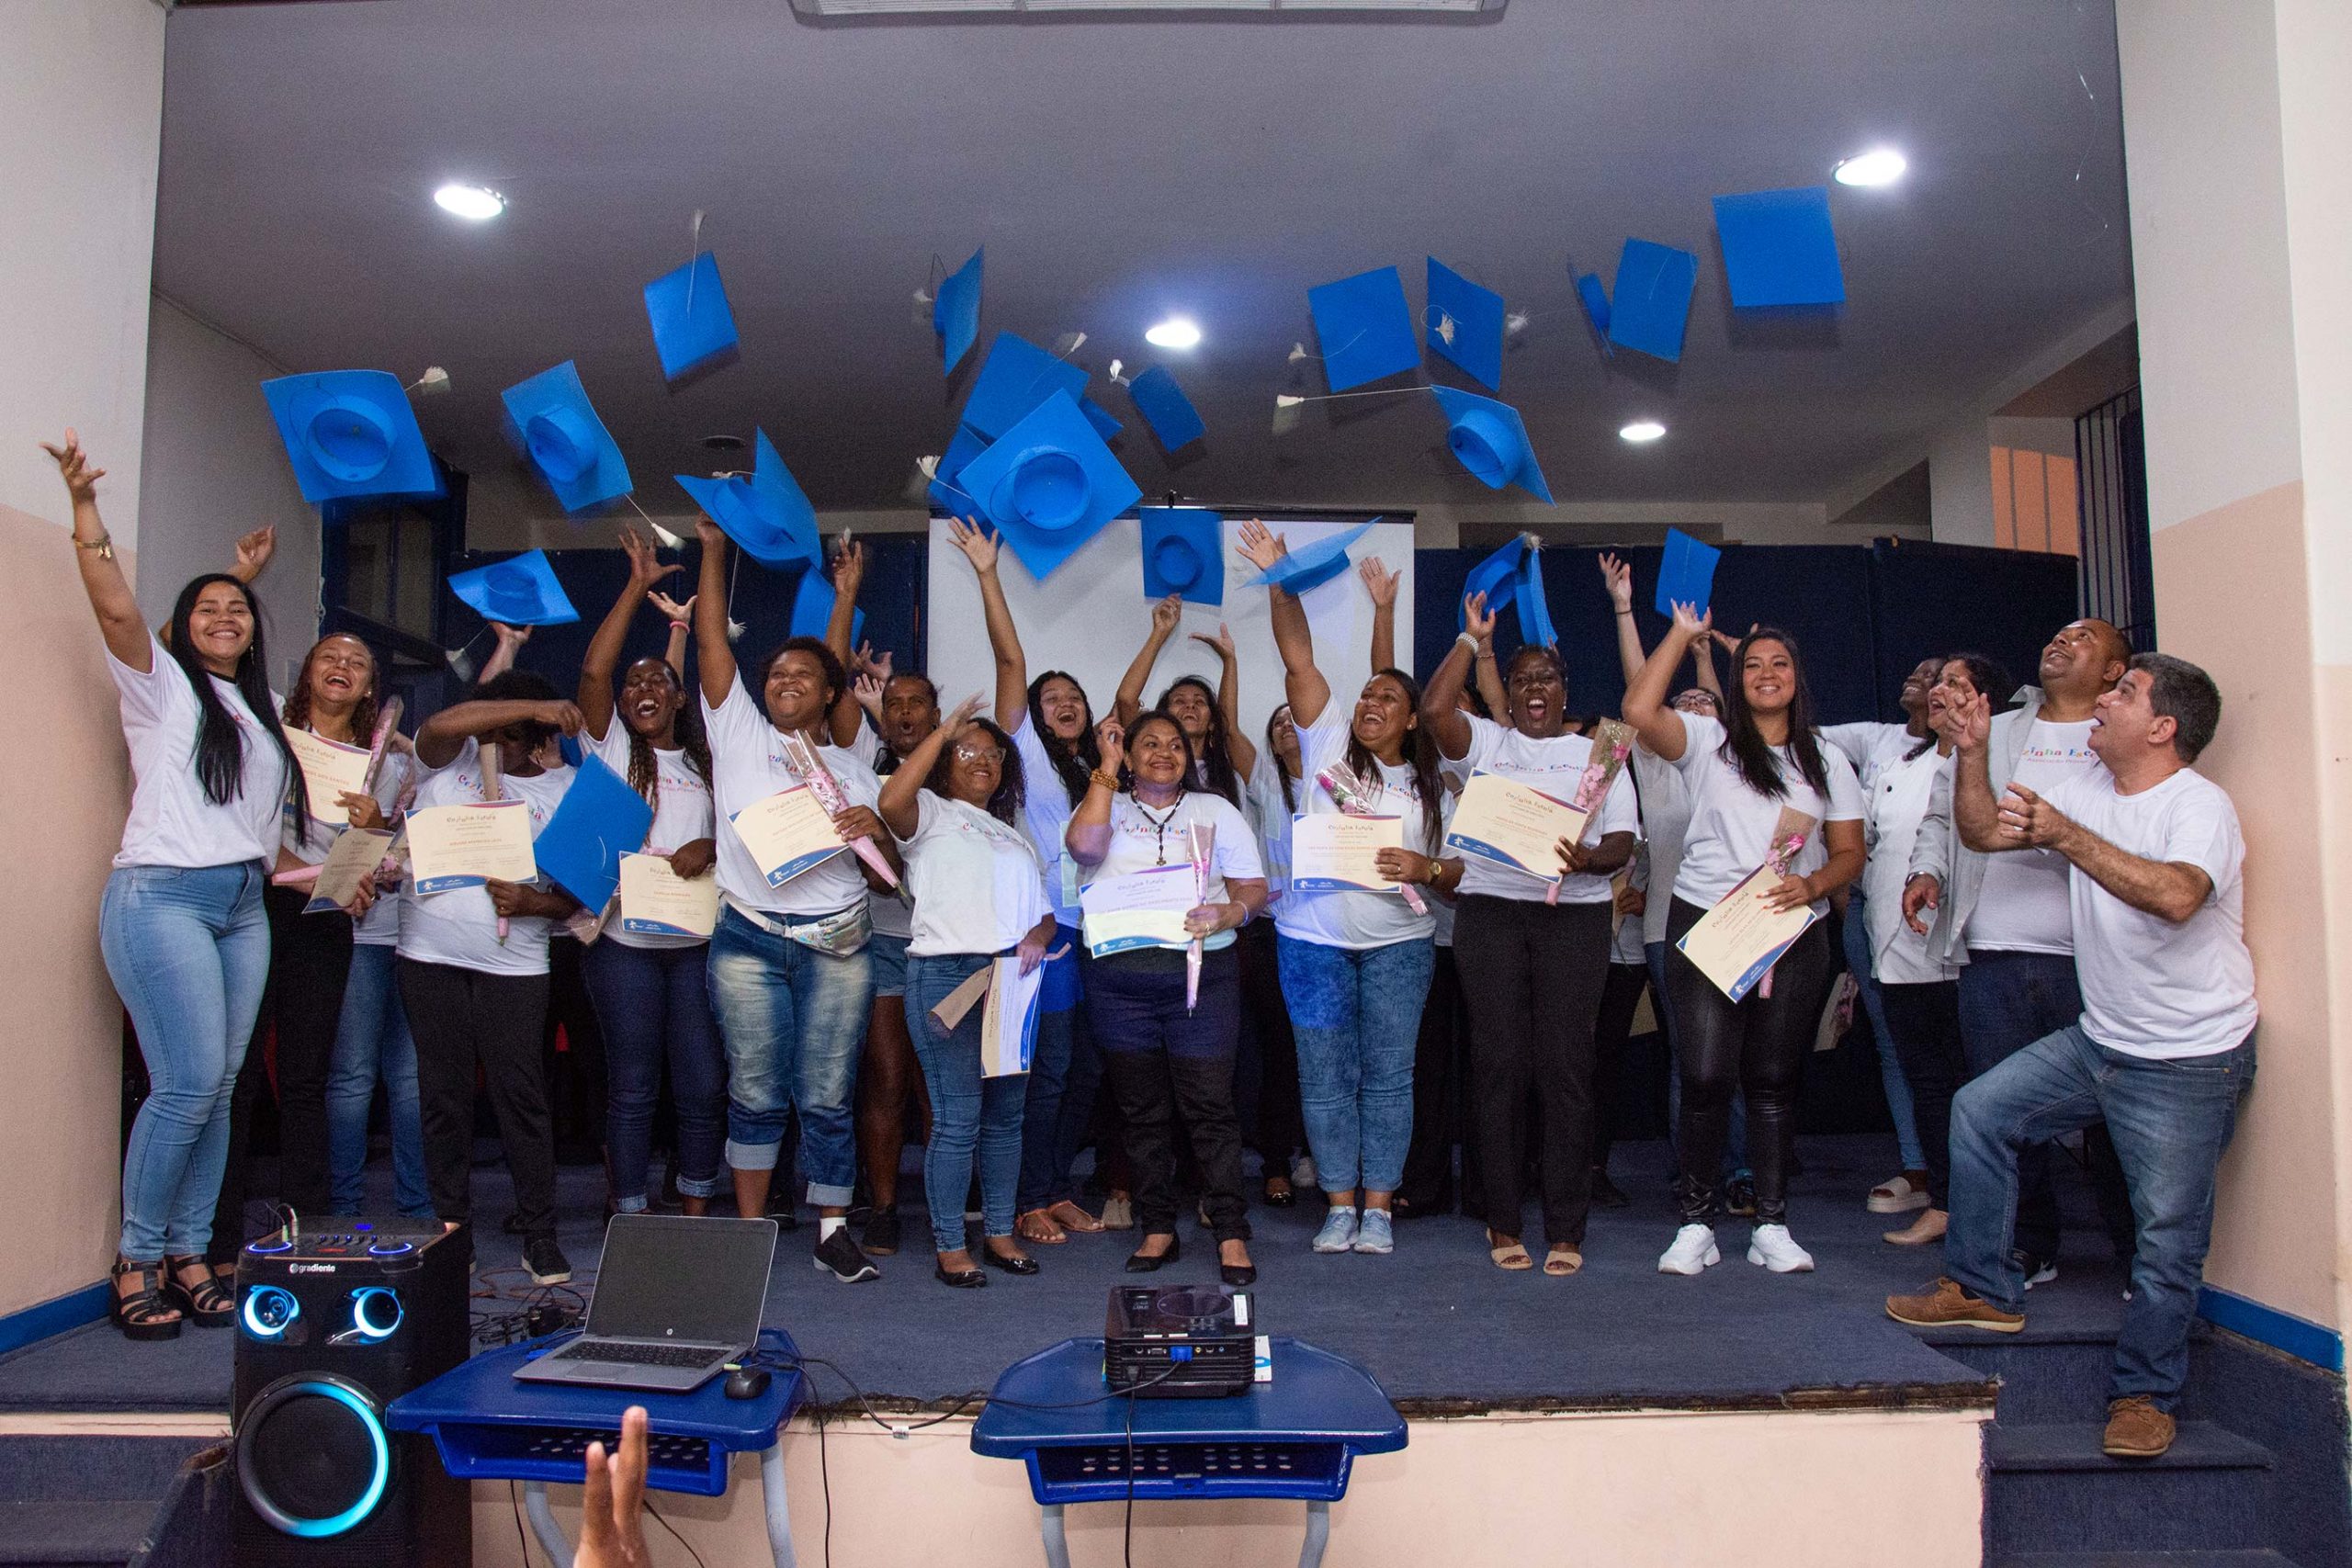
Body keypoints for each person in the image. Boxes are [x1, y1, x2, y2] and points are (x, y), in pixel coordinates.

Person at [1888, 654, 2255, 1462]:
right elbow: (1982, 831)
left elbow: (2176, 895)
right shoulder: (2088, 786)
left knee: (2166, 1238)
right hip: (2105, 1038)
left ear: (2162, 728)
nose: (2107, 697)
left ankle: (2145, 1393)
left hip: (2189, 1056)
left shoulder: (2199, 806)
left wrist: (2064, 832)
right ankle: (1985, 1287)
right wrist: (1975, 751)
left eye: (2125, 692)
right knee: (1980, 1109)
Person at [50, 431, 305, 1338]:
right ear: (181, 625)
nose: (226, 614)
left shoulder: (258, 711)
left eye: (238, 605)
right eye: (207, 607)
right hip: (163, 898)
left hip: (243, 905)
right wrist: (86, 507)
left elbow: (250, 826)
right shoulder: (159, 688)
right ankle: (138, 1254)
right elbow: (116, 612)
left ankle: (193, 1253)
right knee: (187, 1081)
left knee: (224, 1082)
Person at [1624, 606, 1864, 1276]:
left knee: (1773, 1081)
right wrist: (1678, 634)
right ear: (1737, 679)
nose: (1766, 674)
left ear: (1797, 677)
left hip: (1792, 929)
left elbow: (1850, 852)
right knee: (1703, 1076)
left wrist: (1813, 884)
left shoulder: (1828, 760)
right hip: (1706, 922)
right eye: (1752, 664)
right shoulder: (1707, 740)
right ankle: (1695, 1222)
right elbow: (1638, 709)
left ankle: (1771, 1222)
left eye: (1779, 663)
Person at [1902, 618, 2140, 1285]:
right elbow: (1945, 816)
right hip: (1995, 948)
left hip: (2092, 955)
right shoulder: (1999, 727)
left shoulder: (2116, 736)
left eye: (2084, 637)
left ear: (2116, 671)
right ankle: (2031, 1244)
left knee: (2114, 1111)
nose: (2062, 640)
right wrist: (1930, 871)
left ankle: (2132, 1250)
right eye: (2059, 633)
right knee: (2007, 1110)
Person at [691, 519, 899, 1283]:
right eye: (775, 673)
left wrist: (870, 830)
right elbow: (713, 645)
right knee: (752, 1085)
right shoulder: (737, 732)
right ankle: (749, 1234)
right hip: (745, 937)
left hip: (839, 942)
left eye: (801, 677)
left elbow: (886, 879)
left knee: (824, 1091)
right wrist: (715, 550)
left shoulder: (856, 767)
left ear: (829, 694)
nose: (783, 681)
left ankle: (831, 1230)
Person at [1239, 523, 1445, 1258]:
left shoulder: (1429, 783)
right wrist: (1277, 576)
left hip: (1399, 947)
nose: (1370, 702)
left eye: (1387, 696)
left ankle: (1380, 1205)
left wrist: (1427, 871)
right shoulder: (1324, 739)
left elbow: (1456, 870)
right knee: (1323, 1077)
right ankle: (1336, 1202)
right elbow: (1298, 654)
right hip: (1312, 943)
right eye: (1366, 693)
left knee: (1389, 1077)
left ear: (1412, 717)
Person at [1421, 592, 1639, 1276]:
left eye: (1547, 677)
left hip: (1571, 918)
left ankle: (1567, 1226)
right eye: (1522, 680)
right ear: (1507, 694)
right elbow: (1432, 712)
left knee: (1566, 1071)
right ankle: (1504, 1218)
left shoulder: (1598, 751)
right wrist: (1469, 639)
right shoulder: (1488, 743)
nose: (1535, 688)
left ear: (1564, 688)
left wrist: (1589, 858)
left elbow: (1623, 841)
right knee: (1499, 1068)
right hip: (1489, 914)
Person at [943, 518, 1114, 1246]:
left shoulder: (1105, 770)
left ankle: (1053, 1185)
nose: (1062, 702)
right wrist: (988, 572)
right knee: (1041, 1071)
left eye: (1074, 694)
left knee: (1083, 1072)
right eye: (1050, 697)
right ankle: (1022, 1200)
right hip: (1040, 933)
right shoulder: (1030, 763)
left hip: (1100, 932)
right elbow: (1010, 658)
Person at [1069, 711, 1268, 1287]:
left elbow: (1252, 887)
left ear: (1190, 755)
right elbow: (1083, 850)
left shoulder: (1216, 810)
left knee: (1210, 1106)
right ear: (1127, 756)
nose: (1163, 752)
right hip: (1119, 980)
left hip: (1201, 977)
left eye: (1175, 745)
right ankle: (1158, 1226)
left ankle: (1230, 1229)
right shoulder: (1105, 802)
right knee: (1140, 1110)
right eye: (1148, 744)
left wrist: (1232, 911)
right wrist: (1104, 771)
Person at [399, 673, 582, 1284]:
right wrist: (531, 700)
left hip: (515, 965)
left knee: (521, 1097)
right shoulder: (444, 766)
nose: (493, 737)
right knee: (443, 1097)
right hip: (428, 955)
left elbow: (583, 898)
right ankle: (452, 1229)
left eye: (511, 732)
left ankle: (539, 1233)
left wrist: (534, 903)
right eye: (491, 724)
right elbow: (440, 725)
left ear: (537, 737)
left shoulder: (566, 789)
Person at [877, 694, 1057, 1287]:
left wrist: (1037, 935)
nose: (982, 760)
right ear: (945, 761)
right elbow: (889, 802)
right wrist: (943, 729)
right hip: (947, 976)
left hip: (1012, 981)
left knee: (1007, 1120)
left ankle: (999, 1232)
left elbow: (1045, 915)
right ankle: (952, 1244)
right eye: (966, 750)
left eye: (992, 754)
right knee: (957, 1119)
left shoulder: (1014, 836)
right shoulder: (927, 810)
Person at [574, 528, 725, 1220]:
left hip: (696, 948)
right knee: (633, 1086)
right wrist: (635, 586)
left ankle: (694, 1209)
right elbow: (594, 674)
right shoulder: (609, 748)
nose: (642, 688)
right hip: (625, 948)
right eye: (635, 682)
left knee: (699, 1084)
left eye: (658, 680)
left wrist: (710, 845)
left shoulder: (703, 764)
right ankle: (630, 1213)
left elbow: (742, 835)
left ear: (677, 697)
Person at [1599, 553, 1745, 1207]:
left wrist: (1710, 657)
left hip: (1743, 925)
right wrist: (1627, 610)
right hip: (1668, 928)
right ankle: (1699, 1172)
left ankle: (1740, 1168)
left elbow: (1731, 702)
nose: (1689, 704)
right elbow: (1641, 690)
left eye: (1702, 701)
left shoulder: (1743, 762)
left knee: (1740, 1057)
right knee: (1693, 1056)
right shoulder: (1661, 762)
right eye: (1681, 701)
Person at [1871, 654, 2008, 1247]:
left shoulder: (2001, 759)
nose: (1938, 690)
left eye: (1956, 683)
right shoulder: (1911, 763)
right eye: (1936, 680)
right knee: (1927, 1083)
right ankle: (1946, 1205)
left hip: (1967, 955)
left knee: (1976, 1087)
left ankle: (1996, 1219)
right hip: (1899, 951)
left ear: (1986, 704)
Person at [1822, 658, 1947, 1218]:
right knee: (1894, 1047)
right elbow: (1790, 731)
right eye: (1916, 670)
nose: (1916, 677)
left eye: (1934, 674)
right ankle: (1916, 1167)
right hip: (1866, 918)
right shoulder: (1879, 739)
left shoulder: (1966, 752)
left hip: (1931, 922)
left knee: (1940, 1047)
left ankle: (1955, 1180)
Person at [844, 660, 939, 1256]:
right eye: (894, 702)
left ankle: (942, 1204)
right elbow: (878, 878)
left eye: (916, 702)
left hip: (945, 945)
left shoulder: (957, 771)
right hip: (882, 940)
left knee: (938, 1087)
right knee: (886, 1082)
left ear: (935, 713)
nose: (904, 711)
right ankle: (882, 1207)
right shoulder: (859, 771)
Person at [1243, 697, 1312, 1208]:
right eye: (1278, 723)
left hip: (1328, 934)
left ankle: (1319, 1154)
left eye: (1295, 719)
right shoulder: (1266, 782)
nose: (1288, 727)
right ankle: (1275, 1163)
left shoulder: (1343, 780)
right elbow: (1227, 733)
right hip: (1272, 933)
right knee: (1279, 1052)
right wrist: (1229, 663)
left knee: (1326, 1052)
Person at [1113, 594, 1255, 806]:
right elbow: (1126, 700)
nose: (1190, 706)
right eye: (1179, 701)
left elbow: (1228, 725)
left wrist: (1229, 661)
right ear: (1164, 717)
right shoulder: (1152, 763)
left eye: (1200, 702)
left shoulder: (1229, 775)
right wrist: (1159, 633)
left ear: (1212, 722)